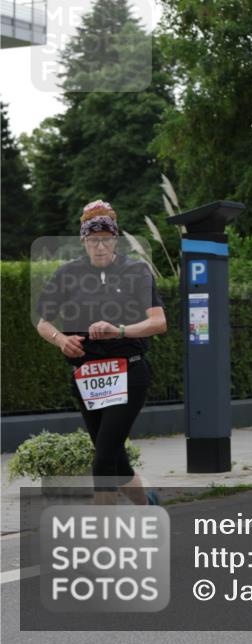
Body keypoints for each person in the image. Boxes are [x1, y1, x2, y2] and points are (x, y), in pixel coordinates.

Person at [35, 200, 167, 505]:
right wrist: (59, 340)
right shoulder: (67, 274)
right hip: (88, 377)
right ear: (83, 241)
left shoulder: (135, 270)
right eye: (93, 240)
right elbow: (43, 322)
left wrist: (119, 330)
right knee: (116, 460)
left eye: (106, 240)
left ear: (115, 240)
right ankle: (148, 508)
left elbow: (159, 322)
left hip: (128, 372)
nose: (100, 247)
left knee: (103, 462)